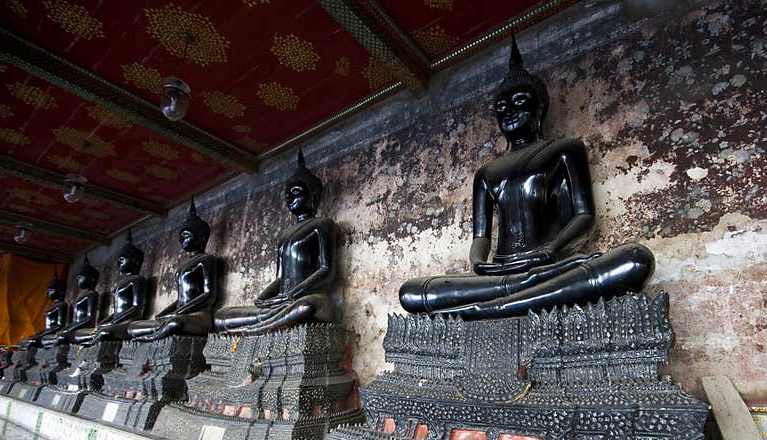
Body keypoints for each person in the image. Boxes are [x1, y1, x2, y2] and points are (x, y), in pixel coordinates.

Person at [399, 36, 654, 320]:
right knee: (411, 292)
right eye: (502, 107)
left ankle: (494, 305)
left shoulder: (564, 150)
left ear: (540, 108)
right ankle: (521, 289)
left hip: (550, 266)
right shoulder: (486, 173)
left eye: (520, 101)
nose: (509, 111)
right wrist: (477, 262)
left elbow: (584, 217)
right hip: (499, 273)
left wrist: (550, 252)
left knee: (634, 259)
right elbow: (481, 237)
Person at [214, 149, 336, 335]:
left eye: (295, 193)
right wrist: (262, 299)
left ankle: (252, 330)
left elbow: (326, 270)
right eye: (287, 194)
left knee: (306, 306)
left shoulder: (322, 225)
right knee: (221, 316)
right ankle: (264, 323)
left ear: (313, 196)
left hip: (308, 298)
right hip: (280, 303)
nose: (289, 198)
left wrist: (293, 294)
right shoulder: (284, 235)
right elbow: (280, 278)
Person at [127, 199, 217, 341]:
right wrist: (165, 313)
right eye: (180, 237)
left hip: (199, 314)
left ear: (202, 237)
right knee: (145, 325)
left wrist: (180, 311)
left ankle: (152, 338)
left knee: (175, 322)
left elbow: (208, 294)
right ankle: (157, 333)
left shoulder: (206, 260)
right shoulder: (182, 266)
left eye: (186, 235)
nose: (182, 240)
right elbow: (180, 299)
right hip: (182, 312)